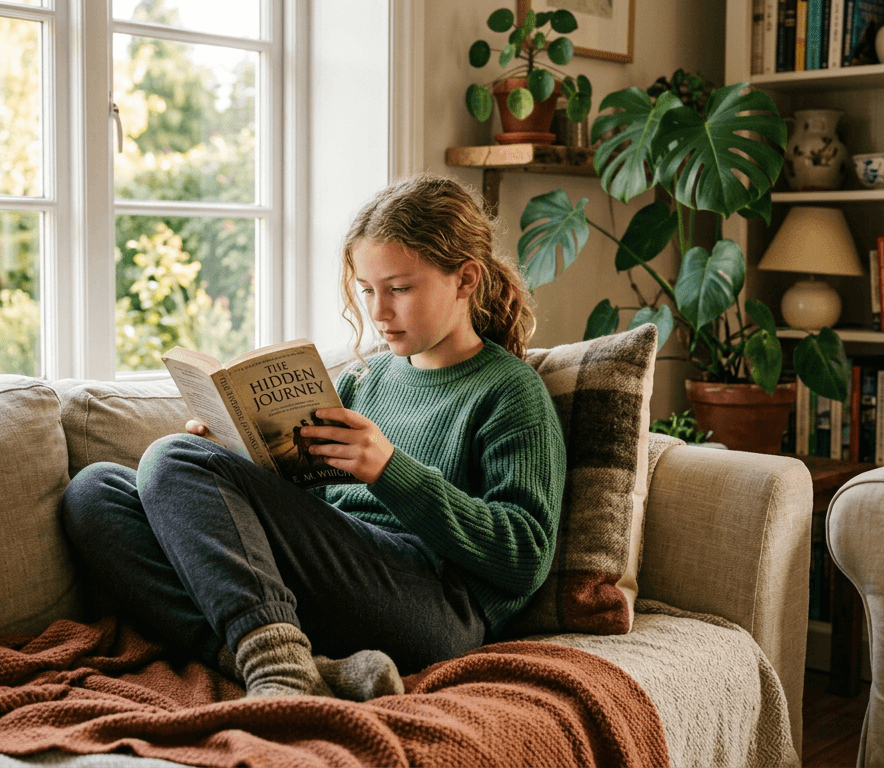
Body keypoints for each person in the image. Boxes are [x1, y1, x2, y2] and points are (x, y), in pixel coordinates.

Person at [60, 173, 566, 701]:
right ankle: (301, 667)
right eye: (368, 290)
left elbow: (526, 557)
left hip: (435, 609)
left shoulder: (510, 391)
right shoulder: (358, 381)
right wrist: (241, 458)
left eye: (399, 289)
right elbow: (309, 513)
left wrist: (390, 471)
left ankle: (276, 670)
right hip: (327, 590)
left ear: (465, 279)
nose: (378, 312)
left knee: (173, 459)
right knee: (95, 492)